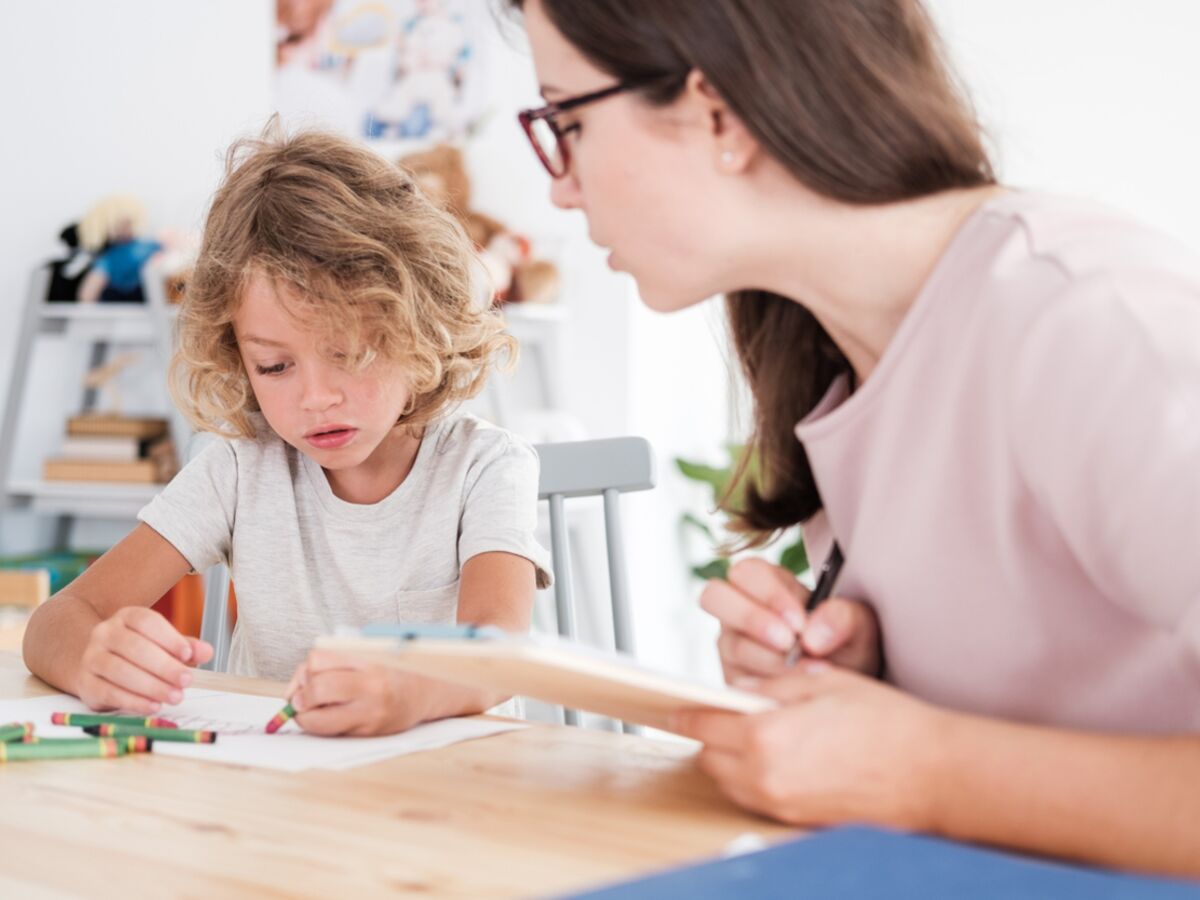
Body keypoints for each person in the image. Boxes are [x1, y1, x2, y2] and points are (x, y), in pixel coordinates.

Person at [507, 0, 1200, 878]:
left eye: (565, 120)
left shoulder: (1090, 320)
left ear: (714, 111)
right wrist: (864, 684)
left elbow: (942, 778)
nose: (559, 186)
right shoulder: (845, 364)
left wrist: (922, 768)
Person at [24, 126, 551, 736]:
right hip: (283, 795)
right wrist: (94, 657)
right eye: (274, 366)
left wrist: (409, 691)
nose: (315, 398)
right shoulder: (243, 468)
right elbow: (57, 620)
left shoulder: (486, 467)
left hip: (452, 793)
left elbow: (498, 654)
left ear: (420, 327)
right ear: (236, 358)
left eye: (350, 354)